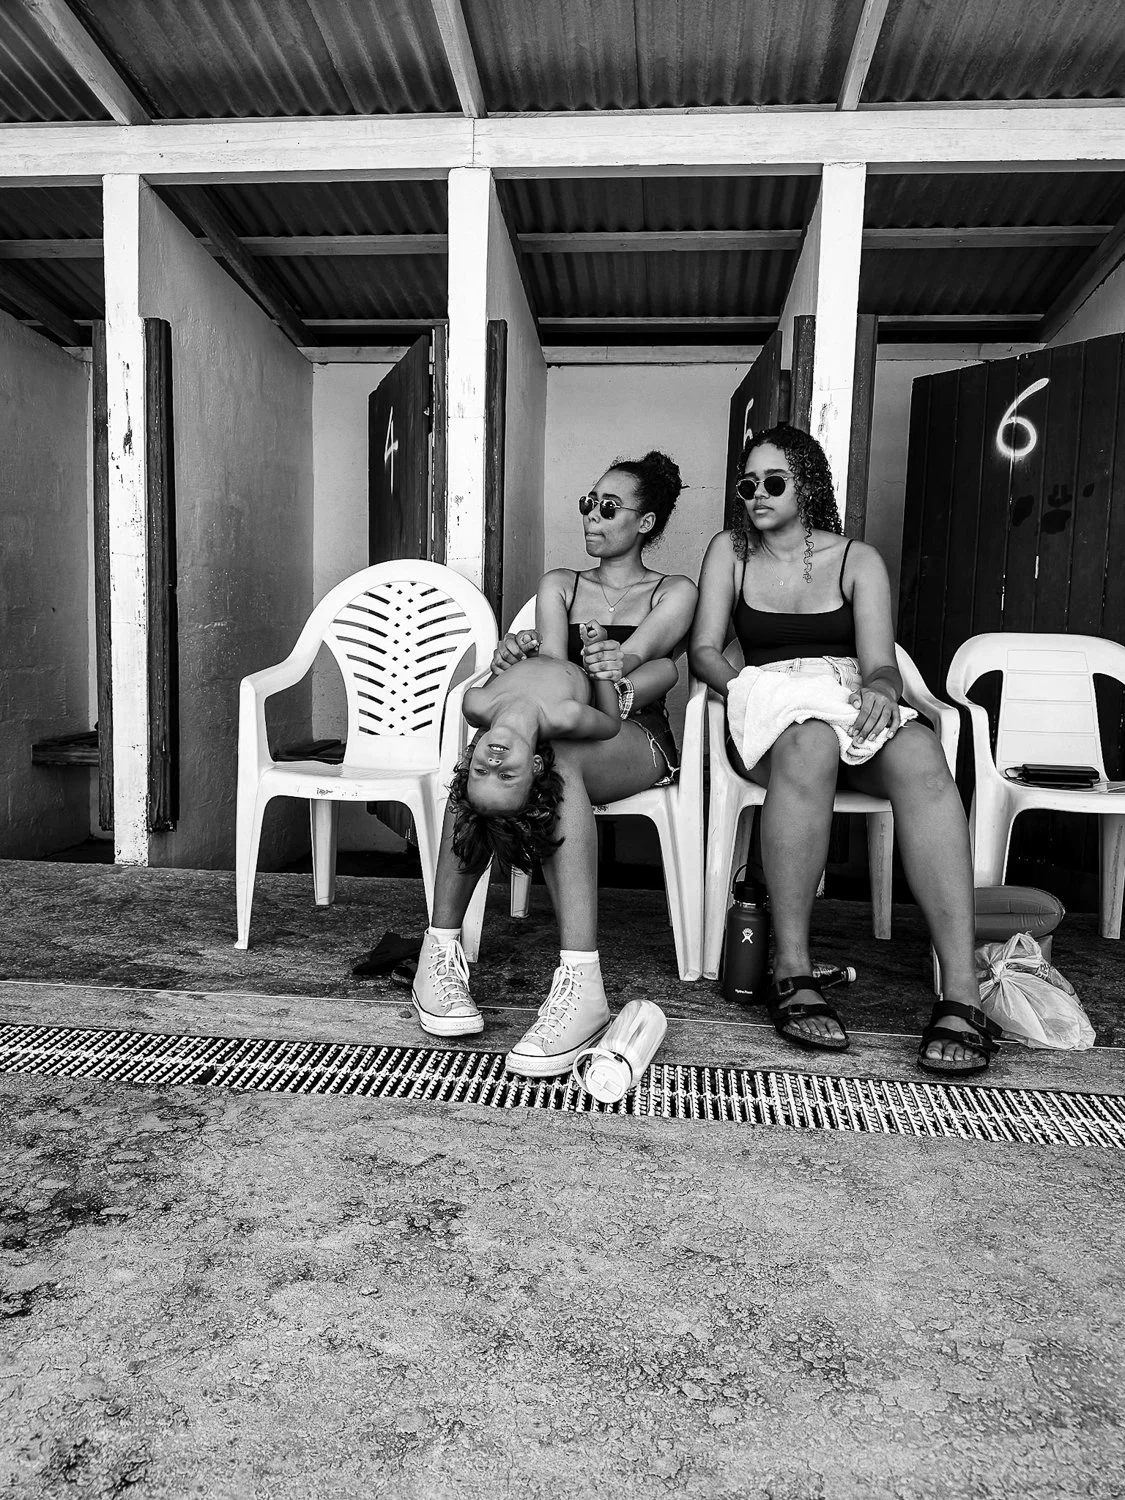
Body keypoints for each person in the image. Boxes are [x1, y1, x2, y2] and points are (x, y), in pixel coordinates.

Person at [689, 422, 999, 1077]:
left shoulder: (857, 560)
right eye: (747, 484)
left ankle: (960, 991)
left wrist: (884, 691)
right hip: (770, 713)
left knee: (921, 758)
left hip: (844, 698)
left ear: (806, 484)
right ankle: (791, 967)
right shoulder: (730, 551)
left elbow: (879, 664)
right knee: (807, 744)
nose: (755, 495)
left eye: (772, 481)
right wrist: (751, 689)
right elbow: (703, 651)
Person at [412, 451, 698, 1077]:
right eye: (587, 504)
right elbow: (559, 674)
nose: (592, 517)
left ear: (646, 522)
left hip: (634, 734)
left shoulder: (673, 592)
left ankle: (581, 984)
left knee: (554, 756)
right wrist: (517, 661)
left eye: (609, 507)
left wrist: (601, 666)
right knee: (488, 757)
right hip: (565, 719)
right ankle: (439, 952)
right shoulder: (560, 585)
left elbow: (630, 673)